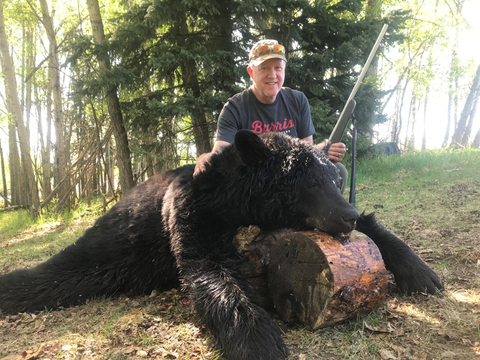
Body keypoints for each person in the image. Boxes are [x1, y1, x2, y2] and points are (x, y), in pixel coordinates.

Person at [194, 39, 348, 193]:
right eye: (264, 68)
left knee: (339, 171)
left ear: (284, 70)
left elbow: (307, 151)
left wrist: (325, 152)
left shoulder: (297, 100)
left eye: (278, 68)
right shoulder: (234, 108)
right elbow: (222, 151)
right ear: (251, 73)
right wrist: (208, 157)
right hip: (255, 183)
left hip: (292, 178)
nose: (272, 75)